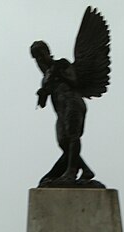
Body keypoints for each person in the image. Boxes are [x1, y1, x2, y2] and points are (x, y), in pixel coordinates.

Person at [30, 41, 95, 184]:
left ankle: (71, 172)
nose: (40, 60)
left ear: (47, 52)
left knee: (72, 136)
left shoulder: (61, 64)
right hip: (60, 110)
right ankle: (86, 170)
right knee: (62, 141)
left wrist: (58, 74)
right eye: (36, 58)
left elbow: (74, 81)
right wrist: (42, 94)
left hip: (72, 102)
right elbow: (43, 103)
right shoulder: (45, 78)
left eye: (41, 55)